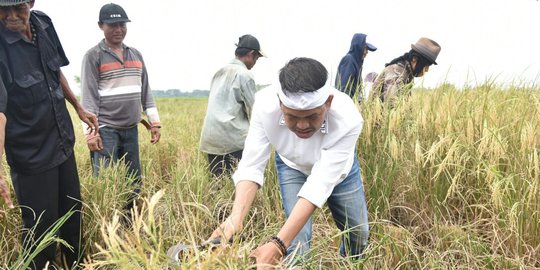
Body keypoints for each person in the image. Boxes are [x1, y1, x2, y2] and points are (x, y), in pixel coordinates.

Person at [207, 57, 369, 267]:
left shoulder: (348, 119)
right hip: (291, 167)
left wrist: (277, 244)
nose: (302, 125)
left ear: (328, 103)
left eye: (312, 116)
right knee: (296, 241)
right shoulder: (264, 106)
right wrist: (235, 219)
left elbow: (319, 185)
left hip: (340, 175)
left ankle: (351, 263)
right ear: (280, 103)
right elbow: (251, 165)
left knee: (358, 233)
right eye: (292, 116)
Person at [0, 0, 99, 268]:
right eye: (2, 9)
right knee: (40, 231)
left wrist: (78, 106)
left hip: (61, 141)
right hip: (30, 155)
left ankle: (74, 265)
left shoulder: (43, 23)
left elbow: (54, 71)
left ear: (31, 3)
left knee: (72, 218)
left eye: (17, 7)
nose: (10, 16)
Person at [80, 3, 161, 214]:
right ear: (101, 26)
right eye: (112, 25)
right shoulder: (93, 56)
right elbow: (88, 99)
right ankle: (106, 223)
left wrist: (155, 122)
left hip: (131, 129)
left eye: (122, 24)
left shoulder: (135, 55)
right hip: (106, 130)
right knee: (106, 182)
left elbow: (146, 91)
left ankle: (128, 223)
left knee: (133, 181)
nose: (118, 29)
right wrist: (90, 134)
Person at [199, 34, 263, 178]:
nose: (255, 62)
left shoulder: (219, 71)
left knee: (218, 182)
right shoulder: (245, 75)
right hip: (233, 139)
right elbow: (254, 110)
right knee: (239, 180)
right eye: (257, 58)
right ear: (251, 54)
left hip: (211, 137)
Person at [373, 37, 441, 103]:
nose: (426, 70)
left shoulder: (407, 72)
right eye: (425, 66)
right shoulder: (398, 74)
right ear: (415, 59)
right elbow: (390, 106)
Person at [335, 33, 376, 101]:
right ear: (359, 47)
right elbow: (344, 87)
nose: (367, 52)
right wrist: (347, 104)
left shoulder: (356, 64)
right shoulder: (349, 60)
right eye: (365, 48)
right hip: (346, 103)